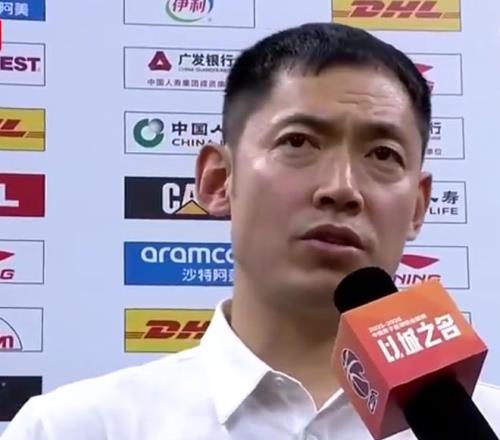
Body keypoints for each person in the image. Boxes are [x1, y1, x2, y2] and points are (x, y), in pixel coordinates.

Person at [3, 22, 499, 440]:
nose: (342, 188)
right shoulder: (73, 428)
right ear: (219, 181)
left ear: (417, 207)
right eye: (298, 142)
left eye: (383, 155)